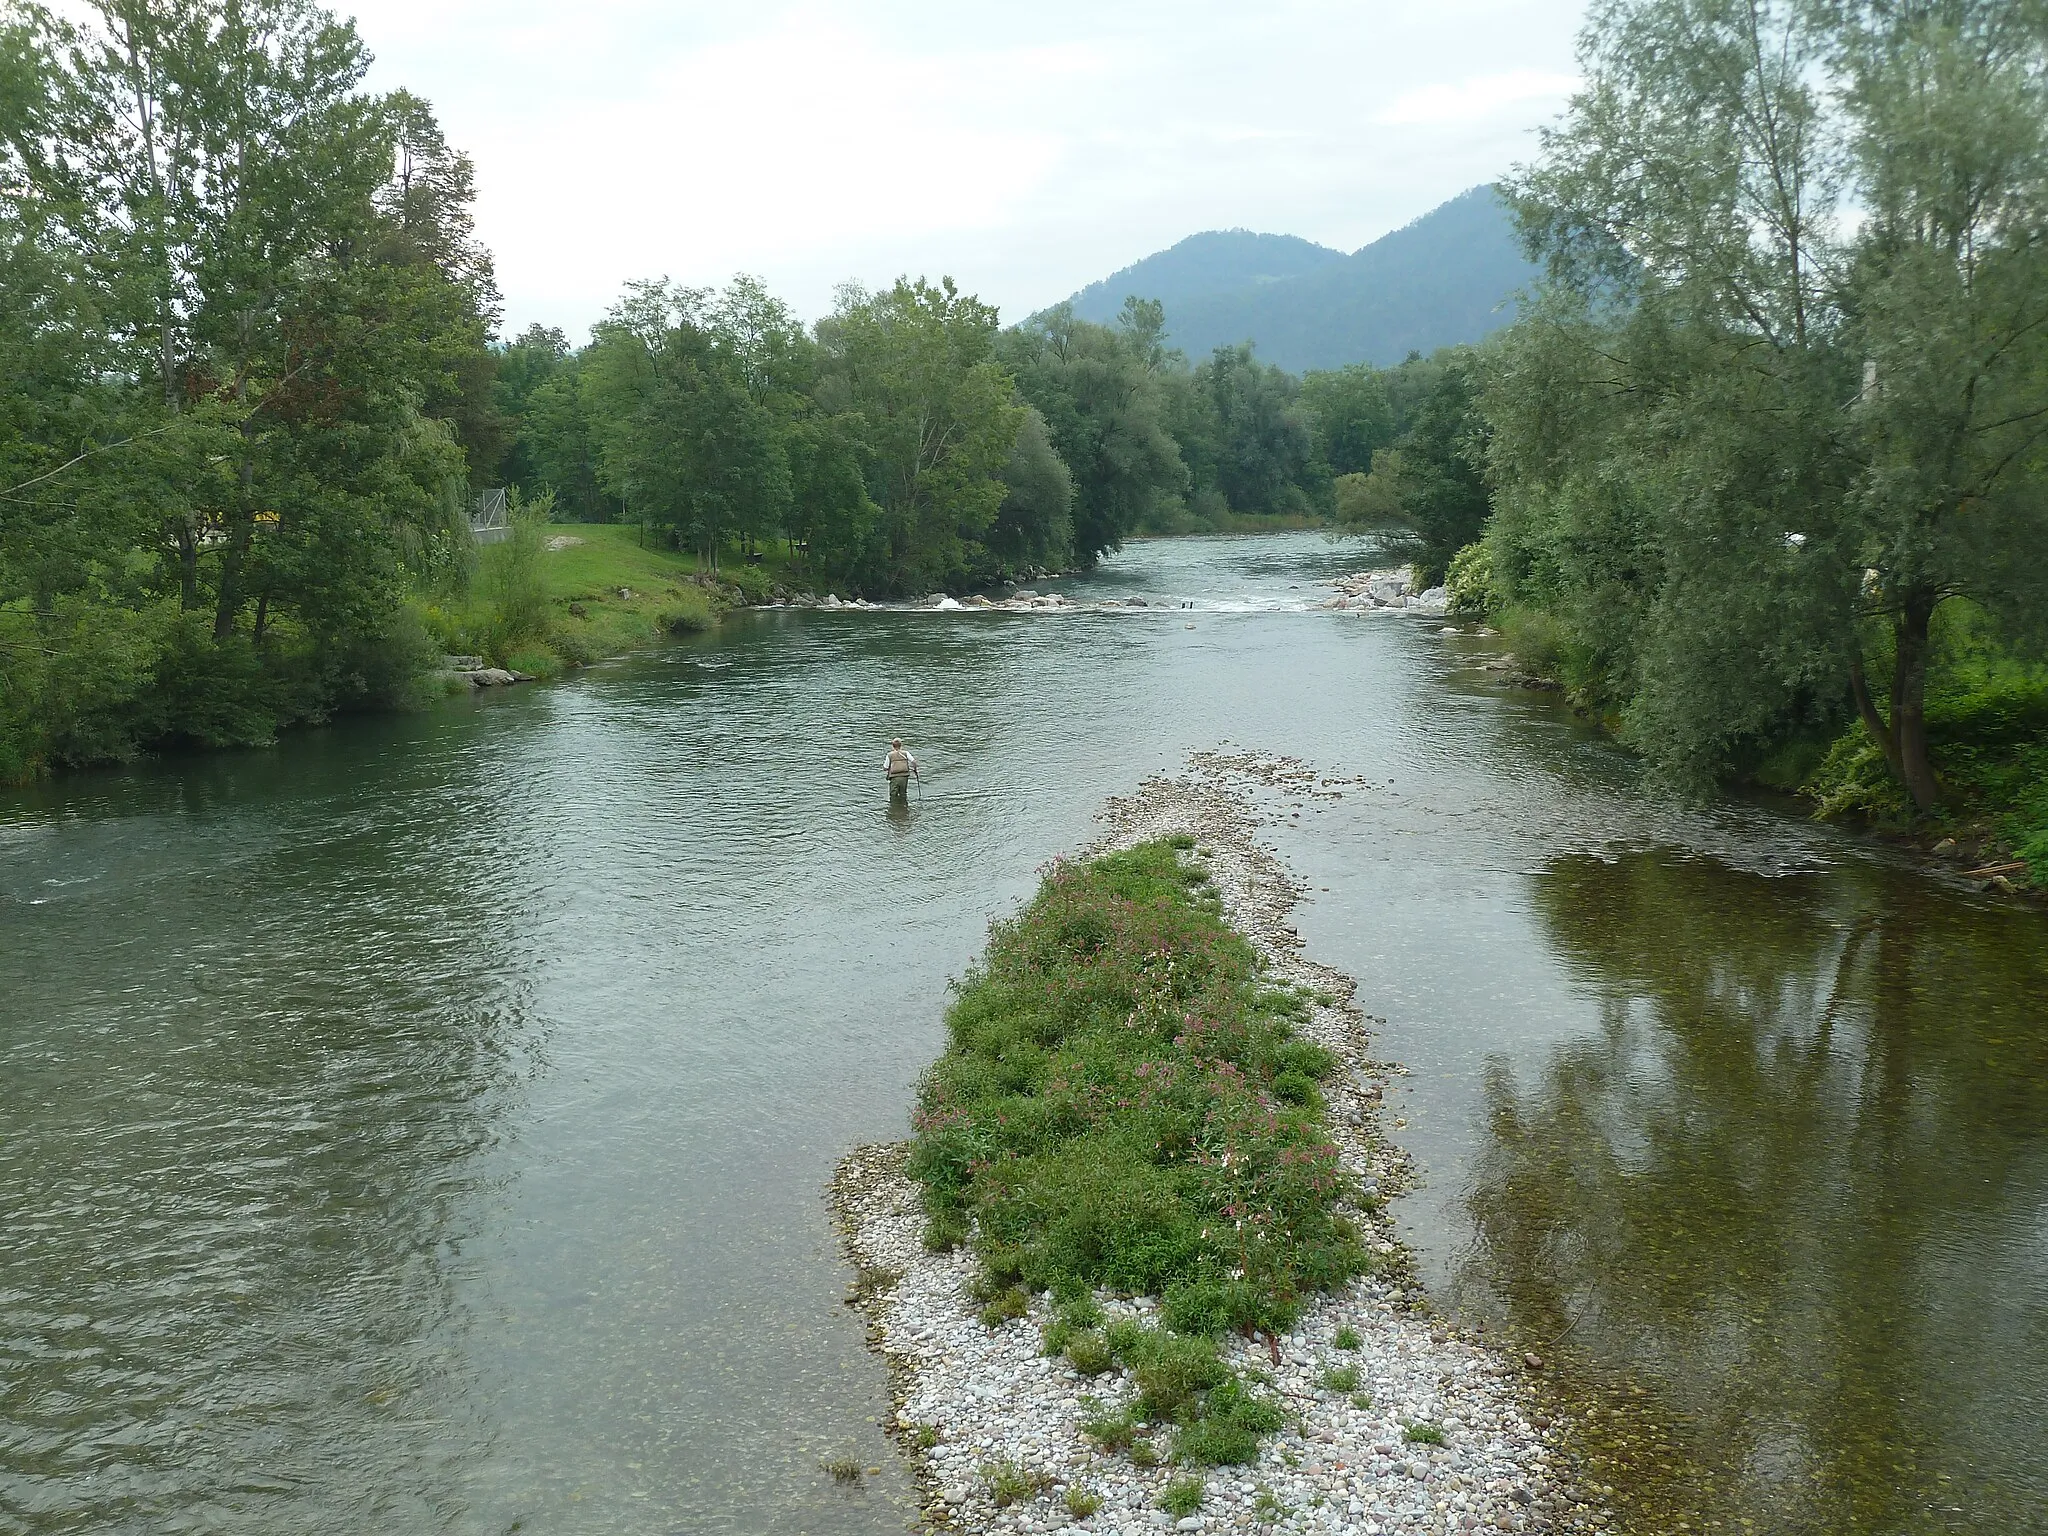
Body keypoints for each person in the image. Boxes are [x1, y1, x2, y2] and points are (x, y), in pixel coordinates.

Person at [883, 738, 920, 807]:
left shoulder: (889, 755)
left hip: (894, 777)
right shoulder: (906, 753)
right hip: (904, 776)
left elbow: (885, 767)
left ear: (892, 746)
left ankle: (894, 808)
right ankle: (904, 806)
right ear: (901, 745)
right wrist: (915, 770)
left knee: (893, 795)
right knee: (903, 794)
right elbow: (914, 762)